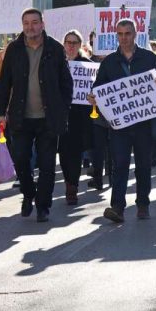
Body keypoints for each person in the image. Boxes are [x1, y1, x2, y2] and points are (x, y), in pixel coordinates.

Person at [0, 8, 73, 222]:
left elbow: (66, 83)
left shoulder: (55, 49)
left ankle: (43, 206)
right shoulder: (14, 49)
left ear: (42, 24)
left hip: (48, 118)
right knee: (20, 159)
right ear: (22, 26)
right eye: (26, 23)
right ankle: (28, 194)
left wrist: (63, 109)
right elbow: (5, 83)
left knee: (47, 164)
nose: (30, 27)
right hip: (21, 117)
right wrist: (0, 112)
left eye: (35, 22)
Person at [88, 19, 156, 222]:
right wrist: (93, 96)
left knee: (143, 165)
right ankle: (118, 207)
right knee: (119, 164)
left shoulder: (150, 58)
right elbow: (99, 87)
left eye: (127, 33)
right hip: (120, 125)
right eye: (120, 34)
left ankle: (142, 205)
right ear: (117, 36)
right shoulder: (109, 62)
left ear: (135, 34)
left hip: (144, 123)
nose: (124, 38)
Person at [58, 30, 94, 205]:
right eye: (68, 42)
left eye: (74, 42)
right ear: (64, 44)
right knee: (63, 153)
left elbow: (93, 88)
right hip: (61, 114)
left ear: (80, 45)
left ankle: (72, 187)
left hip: (80, 116)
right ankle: (68, 181)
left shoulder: (87, 65)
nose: (71, 46)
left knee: (75, 152)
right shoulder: (57, 63)